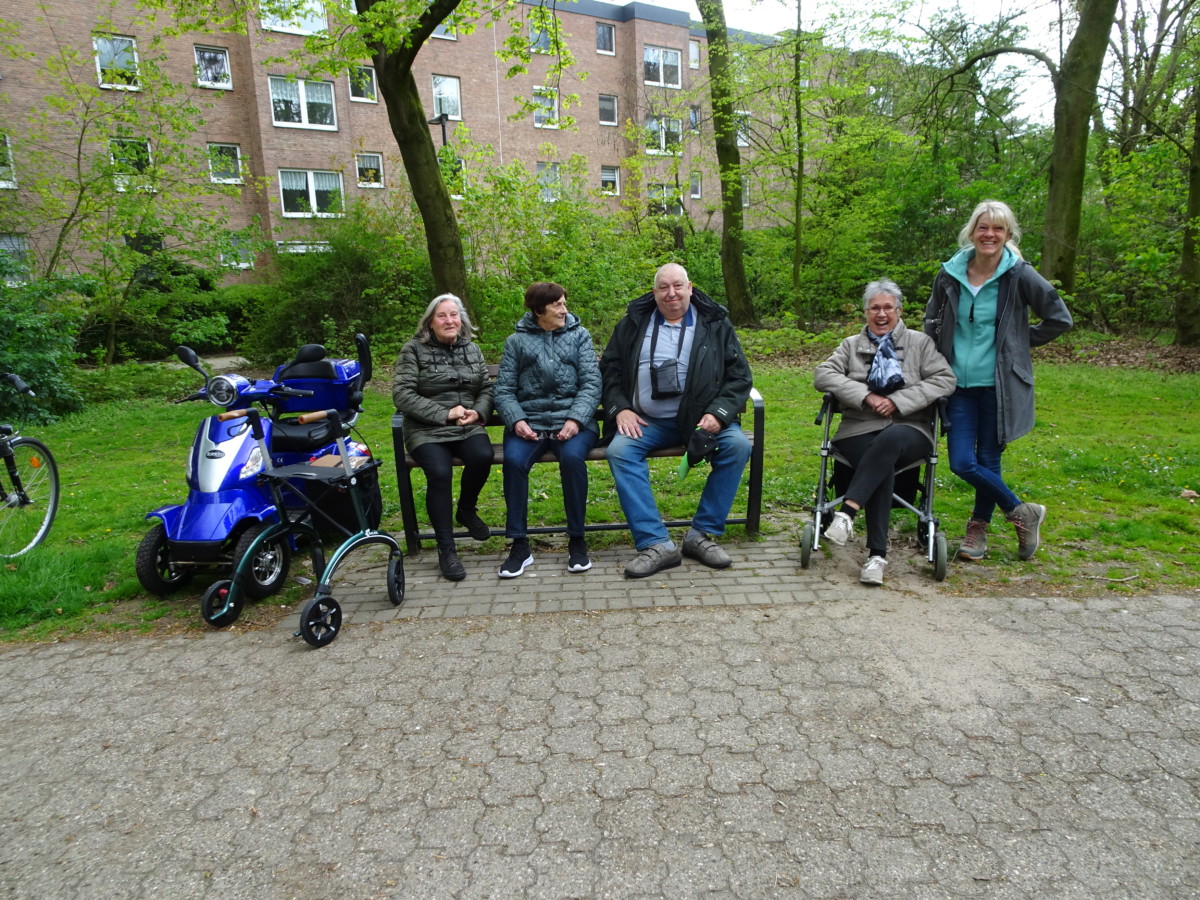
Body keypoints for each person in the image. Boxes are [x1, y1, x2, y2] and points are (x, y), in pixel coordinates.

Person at [924, 200, 1073, 562]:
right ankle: (1022, 511)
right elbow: (931, 320)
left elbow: (1059, 318)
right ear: (972, 232)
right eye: (983, 227)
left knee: (988, 459)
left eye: (998, 229)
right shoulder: (949, 273)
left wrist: (1017, 342)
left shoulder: (1019, 274)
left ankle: (977, 532)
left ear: (1008, 235)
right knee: (961, 462)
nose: (989, 234)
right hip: (957, 384)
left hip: (999, 386)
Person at [601, 262, 753, 578]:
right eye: (664, 287)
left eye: (678, 286)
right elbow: (610, 371)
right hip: (646, 421)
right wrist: (620, 409)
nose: (672, 294)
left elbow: (739, 376)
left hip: (701, 421)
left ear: (690, 287)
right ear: (654, 291)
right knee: (620, 451)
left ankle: (700, 535)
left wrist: (719, 414)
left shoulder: (715, 323)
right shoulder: (633, 322)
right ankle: (657, 544)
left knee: (737, 445)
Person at [813, 280, 957, 585]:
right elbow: (823, 374)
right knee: (880, 458)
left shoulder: (920, 344)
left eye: (887, 307)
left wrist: (897, 401)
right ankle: (876, 556)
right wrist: (866, 396)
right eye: (875, 308)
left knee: (889, 441)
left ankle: (847, 513)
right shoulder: (851, 345)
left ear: (899, 310)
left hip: (911, 427)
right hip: (859, 428)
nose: (881, 314)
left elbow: (944, 380)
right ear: (865, 312)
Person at [493, 282, 602, 578]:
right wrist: (517, 421)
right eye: (558, 306)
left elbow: (592, 384)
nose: (565, 310)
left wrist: (575, 420)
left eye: (564, 304)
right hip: (530, 423)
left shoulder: (580, 336)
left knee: (572, 460)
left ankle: (578, 541)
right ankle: (519, 545)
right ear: (539, 310)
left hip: (574, 423)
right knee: (514, 462)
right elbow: (503, 390)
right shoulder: (516, 342)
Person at [392, 293, 494, 581]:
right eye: (442, 315)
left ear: (461, 320)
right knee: (439, 471)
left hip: (466, 425)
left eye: (454, 315)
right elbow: (402, 394)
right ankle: (446, 548)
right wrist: (445, 413)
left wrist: (478, 412)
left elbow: (486, 387)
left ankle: (465, 510)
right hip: (426, 428)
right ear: (430, 321)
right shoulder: (413, 350)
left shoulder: (471, 349)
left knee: (483, 455)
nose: (449, 320)